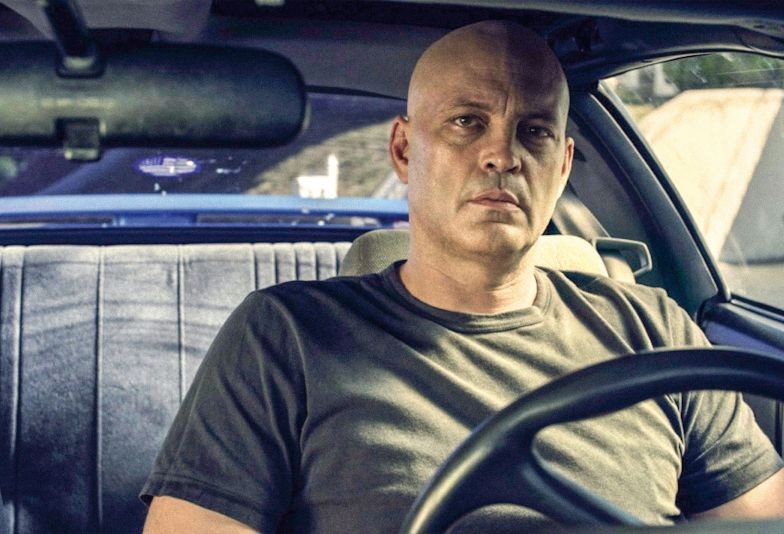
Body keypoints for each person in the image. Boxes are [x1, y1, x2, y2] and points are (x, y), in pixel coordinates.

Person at [141, 21, 784, 532]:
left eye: (533, 131)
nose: (502, 154)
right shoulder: (285, 336)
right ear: (403, 150)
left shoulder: (656, 332)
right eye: (467, 122)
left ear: (562, 167)